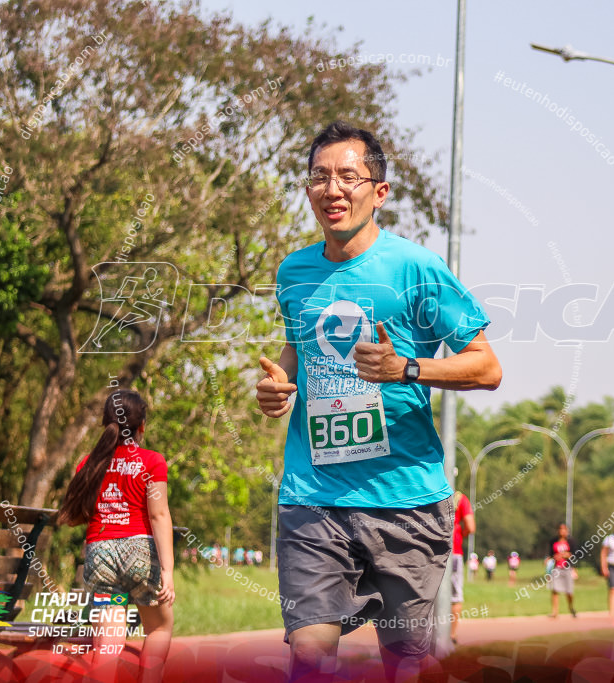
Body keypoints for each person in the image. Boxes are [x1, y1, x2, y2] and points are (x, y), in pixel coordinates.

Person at [255, 121, 501, 682]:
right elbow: (297, 348)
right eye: (319, 176)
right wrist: (280, 385)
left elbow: (487, 366)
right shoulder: (293, 273)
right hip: (313, 492)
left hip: (406, 500)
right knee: (309, 652)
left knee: (404, 663)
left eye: (348, 176)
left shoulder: (416, 269)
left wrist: (406, 368)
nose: (332, 189)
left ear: (379, 191)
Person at [58, 390, 174, 683]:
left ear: (105, 424)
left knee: (107, 647)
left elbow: (75, 515)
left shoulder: (88, 463)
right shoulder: (153, 462)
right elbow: (159, 515)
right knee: (159, 629)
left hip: (100, 554)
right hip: (140, 554)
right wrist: (168, 570)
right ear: (142, 426)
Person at [450, 490, 475, 644]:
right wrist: (460, 534)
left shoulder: (430, 490)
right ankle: (451, 635)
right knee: (455, 596)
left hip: (431, 552)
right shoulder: (459, 498)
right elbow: (471, 527)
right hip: (454, 551)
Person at [549, 524, 578, 618]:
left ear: (567, 531)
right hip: (556, 568)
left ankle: (571, 607)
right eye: (560, 529)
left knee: (569, 591)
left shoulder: (571, 542)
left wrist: (566, 555)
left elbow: (575, 555)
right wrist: (554, 557)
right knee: (555, 590)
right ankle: (555, 612)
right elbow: (550, 555)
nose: (562, 531)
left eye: (564, 529)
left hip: (568, 568)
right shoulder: (553, 541)